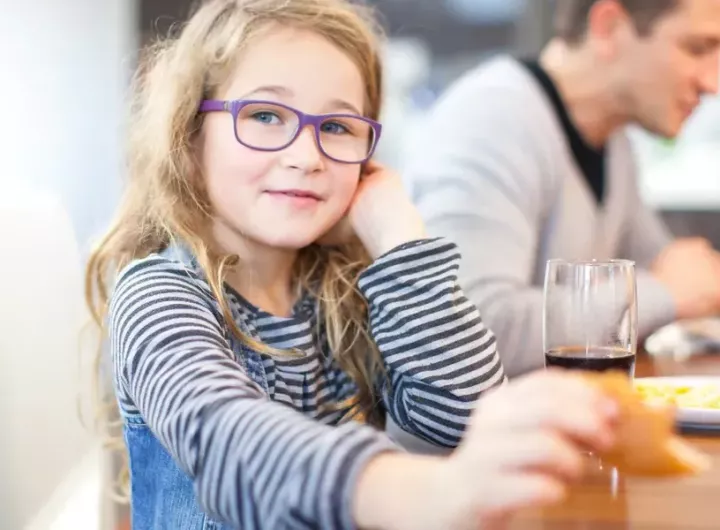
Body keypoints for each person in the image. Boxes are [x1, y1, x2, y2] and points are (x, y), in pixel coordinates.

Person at [86, 1, 619, 528]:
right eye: (265, 116)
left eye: (338, 127)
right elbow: (231, 444)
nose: (307, 155)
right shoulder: (159, 295)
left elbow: (466, 418)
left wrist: (399, 235)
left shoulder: (346, 289)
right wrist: (424, 494)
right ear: (190, 136)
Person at [403, 0, 720, 378]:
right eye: (697, 48)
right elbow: (466, 329)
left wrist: (675, 285)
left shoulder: (613, 140)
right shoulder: (494, 119)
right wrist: (665, 294)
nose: (712, 83)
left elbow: (675, 268)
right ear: (609, 27)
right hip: (475, 437)